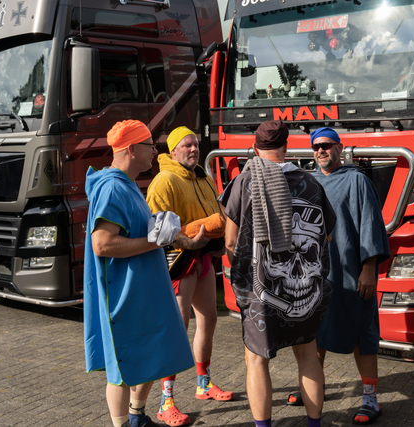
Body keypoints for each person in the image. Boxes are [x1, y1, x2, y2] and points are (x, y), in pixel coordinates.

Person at [84, 120, 206, 427]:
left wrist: (180, 238)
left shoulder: (127, 184)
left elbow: (148, 229)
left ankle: (137, 417)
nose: (155, 151)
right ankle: (122, 424)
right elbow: (102, 244)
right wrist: (155, 240)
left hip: (141, 290)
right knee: (122, 368)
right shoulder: (113, 187)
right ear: (131, 149)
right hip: (123, 294)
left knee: (154, 353)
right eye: (150, 145)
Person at [219, 120, 336, 427]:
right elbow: (327, 236)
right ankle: (314, 423)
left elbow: (230, 241)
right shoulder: (312, 184)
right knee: (308, 355)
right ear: (286, 147)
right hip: (308, 292)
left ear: (255, 149)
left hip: (261, 290)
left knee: (256, 361)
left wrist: (247, 270)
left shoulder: (244, 183)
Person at [286, 127, 390, 425]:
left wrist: (369, 268)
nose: (321, 151)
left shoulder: (357, 180)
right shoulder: (308, 182)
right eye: (316, 147)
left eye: (327, 145)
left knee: (362, 336)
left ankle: (370, 399)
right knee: (314, 335)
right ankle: (312, 388)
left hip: (352, 274)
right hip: (317, 276)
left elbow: (370, 224)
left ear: (339, 148)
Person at [146, 127, 232, 426]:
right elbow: (156, 231)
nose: (193, 150)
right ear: (172, 152)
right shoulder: (164, 181)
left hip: (203, 259)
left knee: (208, 319)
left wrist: (218, 241)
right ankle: (165, 401)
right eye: (186, 146)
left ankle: (203, 383)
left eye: (195, 145)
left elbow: (217, 213)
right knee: (176, 331)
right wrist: (188, 240)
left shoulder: (203, 177)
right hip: (179, 261)